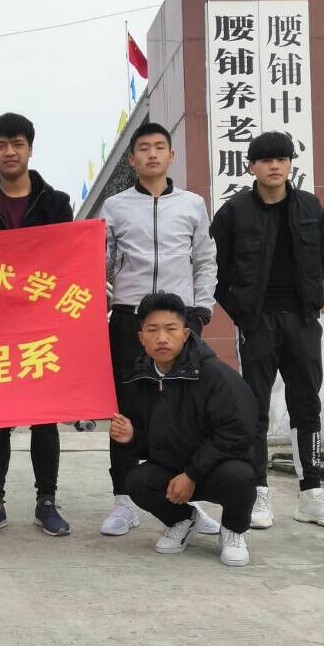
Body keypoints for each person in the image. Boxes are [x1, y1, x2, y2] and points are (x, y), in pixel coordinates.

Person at [209, 130, 324, 530]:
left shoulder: (310, 206)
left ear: (290, 164)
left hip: (302, 321)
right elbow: (216, 271)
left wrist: (310, 303)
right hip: (258, 324)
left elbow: (321, 257)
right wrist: (243, 315)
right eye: (266, 160)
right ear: (251, 166)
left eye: (282, 159)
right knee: (254, 408)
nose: (275, 166)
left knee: (307, 405)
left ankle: (312, 494)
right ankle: (258, 492)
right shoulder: (233, 212)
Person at [98, 122, 220, 540]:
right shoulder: (115, 206)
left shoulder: (192, 204)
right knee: (124, 410)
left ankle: (184, 500)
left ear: (171, 155)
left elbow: (205, 258)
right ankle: (123, 501)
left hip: (178, 321)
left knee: (182, 411)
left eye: (159, 147)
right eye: (143, 148)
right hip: (128, 319)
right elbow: (100, 263)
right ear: (132, 159)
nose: (152, 154)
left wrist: (200, 310)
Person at [0, 112, 72, 538]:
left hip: (43, 324)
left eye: (17, 144)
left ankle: (47, 501)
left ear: (30, 148)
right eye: (1, 145)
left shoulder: (56, 204)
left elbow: (67, 260)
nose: (10, 152)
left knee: (45, 418)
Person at [108, 292, 257, 567]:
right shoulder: (139, 379)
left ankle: (233, 530)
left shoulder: (215, 375)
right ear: (141, 337)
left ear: (186, 333)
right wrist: (132, 437)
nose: (161, 338)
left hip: (216, 470)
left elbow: (237, 434)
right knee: (137, 481)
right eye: (152, 330)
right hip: (173, 469)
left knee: (241, 476)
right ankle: (184, 520)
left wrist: (192, 474)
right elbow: (152, 441)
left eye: (171, 329)